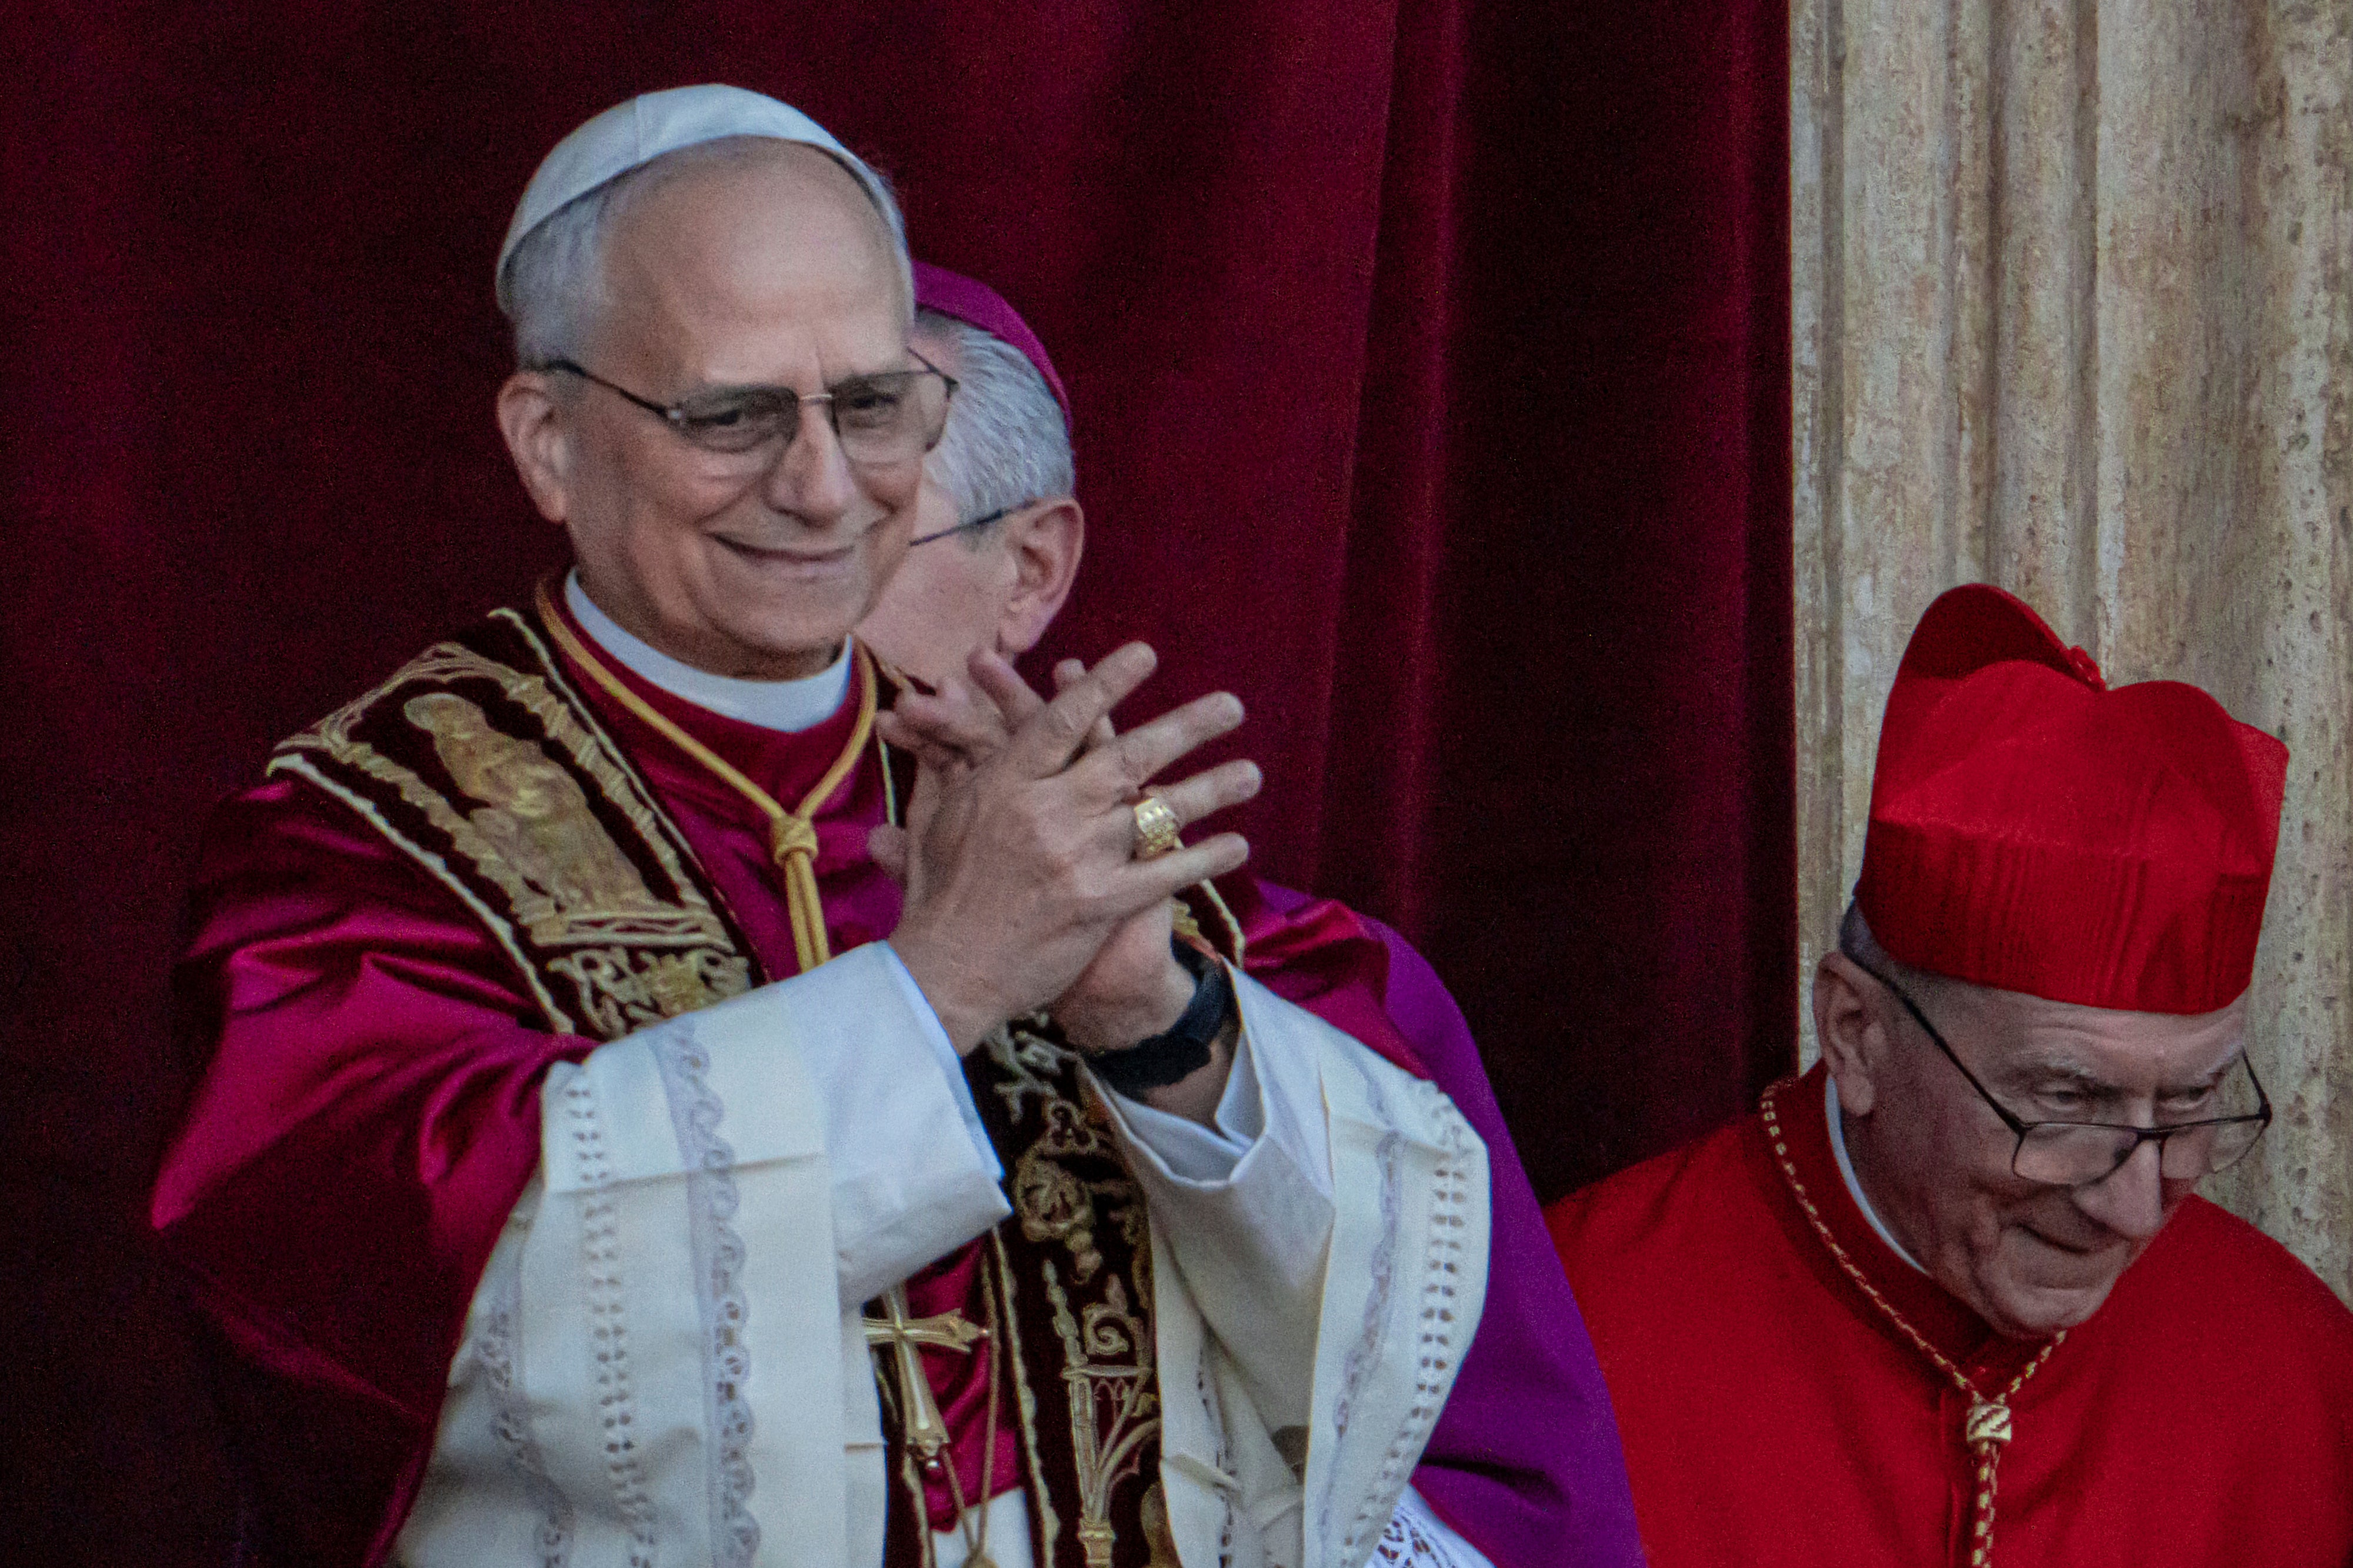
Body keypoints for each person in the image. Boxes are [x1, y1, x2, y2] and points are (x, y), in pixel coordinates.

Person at [148, 86, 1637, 1568]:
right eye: (730, 414)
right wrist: (941, 988)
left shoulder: (1014, 785)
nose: (818, 488)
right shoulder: (372, 833)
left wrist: (1154, 1024)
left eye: (868, 406)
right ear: (547, 441)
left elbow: (1413, 1353)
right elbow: (414, 1313)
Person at [856, 261, 1641, 1568]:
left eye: (866, 522)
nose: (787, 568)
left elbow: (1479, 1494)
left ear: (1029, 568)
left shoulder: (1299, 983)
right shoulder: (545, 927)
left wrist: (1157, 1029)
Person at [1547, 583, 2353, 1566]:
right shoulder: (1568, 1342)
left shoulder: (2303, 1377)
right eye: (2066, 1100)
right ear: (1857, 1036)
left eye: (2189, 1102)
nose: (2135, 1207)